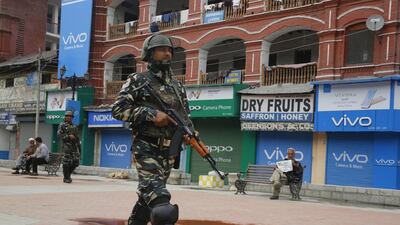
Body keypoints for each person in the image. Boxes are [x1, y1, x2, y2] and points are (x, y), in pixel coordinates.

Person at [112, 33, 193, 225]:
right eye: (162, 50)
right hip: (146, 148)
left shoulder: (177, 86)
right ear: (149, 53)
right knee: (163, 208)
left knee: (147, 199)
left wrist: (191, 134)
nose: (167, 54)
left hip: (169, 152)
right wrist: (151, 115)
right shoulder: (138, 80)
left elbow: (185, 117)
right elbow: (118, 110)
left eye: (170, 50)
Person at [57, 110, 81, 183]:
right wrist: (68, 136)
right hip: (66, 145)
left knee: (76, 162)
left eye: (70, 116)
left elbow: (77, 136)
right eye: (67, 116)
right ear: (65, 117)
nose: (69, 117)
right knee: (66, 162)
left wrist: (78, 145)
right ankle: (66, 177)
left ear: (72, 117)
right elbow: (59, 135)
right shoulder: (62, 125)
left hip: (74, 146)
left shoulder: (74, 126)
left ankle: (68, 175)